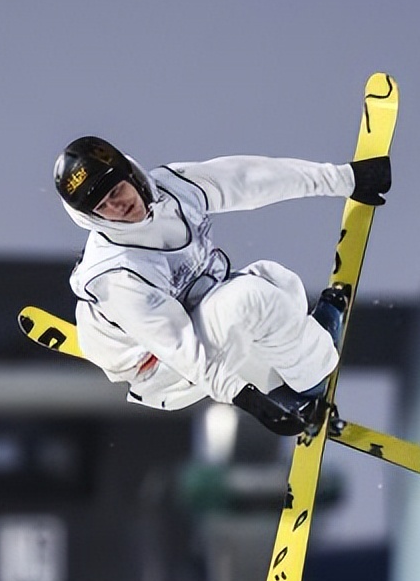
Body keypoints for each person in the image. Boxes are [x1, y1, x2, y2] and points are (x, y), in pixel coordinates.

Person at [53, 136, 391, 435]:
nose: (118, 206)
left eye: (116, 191)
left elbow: (249, 179)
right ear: (92, 218)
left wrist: (345, 179)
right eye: (103, 207)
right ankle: (311, 382)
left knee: (276, 281)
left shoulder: (173, 188)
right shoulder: (116, 275)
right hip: (159, 365)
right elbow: (178, 345)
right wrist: (244, 398)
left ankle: (291, 380)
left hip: (200, 319)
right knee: (252, 300)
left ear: (131, 174)